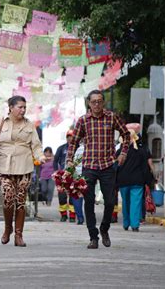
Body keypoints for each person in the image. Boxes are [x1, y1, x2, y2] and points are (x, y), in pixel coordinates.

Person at [66, 90, 130, 249]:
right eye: (93, 101)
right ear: (89, 103)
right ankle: (93, 236)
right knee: (88, 202)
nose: (97, 104)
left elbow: (126, 134)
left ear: (103, 102)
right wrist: (69, 161)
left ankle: (104, 228)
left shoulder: (111, 117)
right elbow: (73, 142)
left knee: (110, 202)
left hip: (108, 165)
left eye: (99, 101)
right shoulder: (83, 121)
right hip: (89, 166)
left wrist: (123, 153)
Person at [0, 95, 46, 247]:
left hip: (24, 167)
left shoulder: (29, 125)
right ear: (11, 108)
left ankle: (19, 235)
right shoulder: (0, 123)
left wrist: (40, 157)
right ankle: (8, 229)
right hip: (4, 167)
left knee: (20, 201)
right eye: (20, 107)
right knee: (8, 198)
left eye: (24, 107)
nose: (23, 110)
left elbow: (36, 145)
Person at [116, 129, 152, 232]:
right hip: (137, 181)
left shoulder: (120, 152)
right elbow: (145, 168)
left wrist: (114, 182)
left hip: (123, 182)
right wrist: (147, 181)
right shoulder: (140, 151)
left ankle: (126, 223)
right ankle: (135, 224)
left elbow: (116, 167)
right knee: (136, 203)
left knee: (126, 202)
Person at [54, 130, 76, 222]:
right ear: (66, 138)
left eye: (72, 136)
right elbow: (55, 161)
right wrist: (56, 171)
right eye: (69, 136)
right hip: (62, 175)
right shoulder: (61, 148)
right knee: (62, 195)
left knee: (73, 195)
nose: (70, 138)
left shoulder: (78, 148)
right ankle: (63, 215)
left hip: (74, 175)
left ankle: (72, 215)